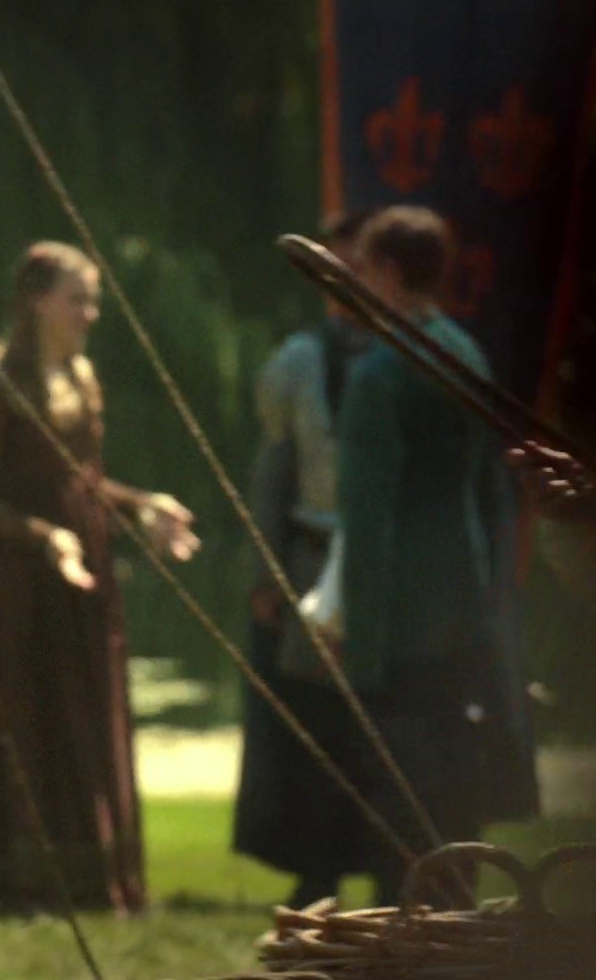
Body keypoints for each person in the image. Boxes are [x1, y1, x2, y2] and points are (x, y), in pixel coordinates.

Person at [0, 241, 199, 915]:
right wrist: (44, 537)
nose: (90, 314)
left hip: (77, 585)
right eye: (78, 299)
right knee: (23, 726)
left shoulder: (80, 377)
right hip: (12, 593)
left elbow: (84, 482)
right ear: (37, 301)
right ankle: (9, 883)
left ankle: (88, 881)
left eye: (92, 300)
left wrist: (143, 506)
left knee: (78, 726)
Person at [332, 206, 537, 906]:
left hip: (402, 620)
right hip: (465, 600)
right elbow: (488, 491)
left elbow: (369, 519)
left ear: (388, 273)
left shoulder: (381, 374)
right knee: (456, 785)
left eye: (363, 270)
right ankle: (457, 925)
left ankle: (412, 931)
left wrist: (360, 642)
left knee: (403, 794)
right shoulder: (464, 354)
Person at [231, 208, 377, 909]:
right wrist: (267, 573)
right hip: (315, 563)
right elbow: (276, 473)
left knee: (385, 722)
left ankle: (396, 869)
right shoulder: (299, 362)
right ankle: (318, 872)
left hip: (384, 569)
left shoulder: (414, 357)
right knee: (317, 721)